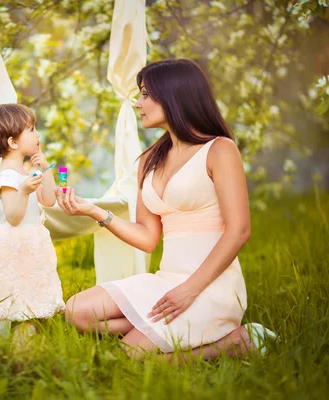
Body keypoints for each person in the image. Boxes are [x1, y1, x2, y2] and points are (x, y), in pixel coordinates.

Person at [58, 59, 276, 359]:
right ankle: (158, 332)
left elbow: (239, 230)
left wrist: (189, 290)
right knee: (76, 312)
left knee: (127, 358)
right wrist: (93, 211)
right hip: (164, 281)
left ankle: (234, 342)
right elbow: (148, 238)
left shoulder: (220, 149)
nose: (138, 103)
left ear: (174, 95)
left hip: (210, 286)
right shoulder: (150, 159)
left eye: (146, 94)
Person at [0, 103, 65, 328]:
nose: (38, 134)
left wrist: (46, 170)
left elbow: (48, 200)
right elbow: (13, 216)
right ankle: (22, 346)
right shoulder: (7, 176)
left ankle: (28, 341)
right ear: (13, 142)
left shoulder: (23, 170)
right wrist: (24, 190)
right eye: (32, 129)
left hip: (29, 246)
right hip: (13, 249)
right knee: (20, 304)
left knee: (33, 299)